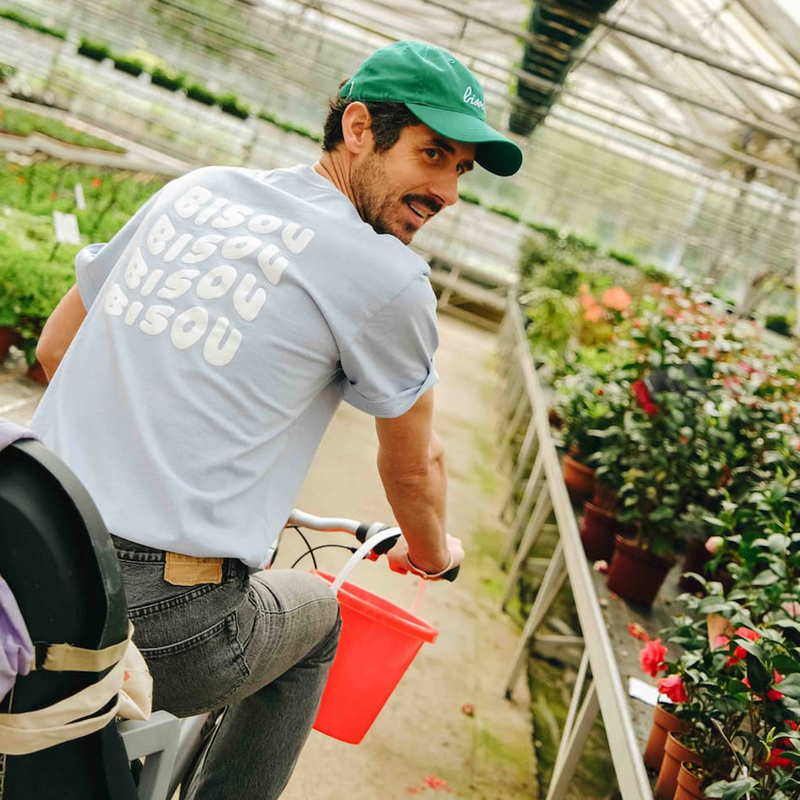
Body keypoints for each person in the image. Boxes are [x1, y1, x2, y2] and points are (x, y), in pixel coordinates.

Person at [31, 39, 523, 799]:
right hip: (160, 623)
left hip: (23, 562)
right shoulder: (388, 277)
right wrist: (429, 553)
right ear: (358, 127)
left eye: (459, 169)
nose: (449, 192)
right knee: (318, 619)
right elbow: (414, 470)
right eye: (432, 155)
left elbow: (55, 348)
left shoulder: (195, 190)